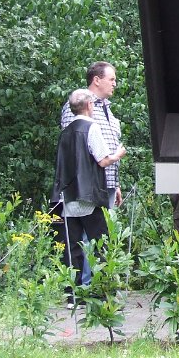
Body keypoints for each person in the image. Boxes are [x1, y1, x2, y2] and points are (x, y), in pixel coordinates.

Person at [52, 89, 127, 307]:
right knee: (100, 243)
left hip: (68, 197)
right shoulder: (91, 127)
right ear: (89, 106)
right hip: (90, 196)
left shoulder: (66, 132)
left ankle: (73, 295)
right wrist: (118, 155)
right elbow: (103, 160)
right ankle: (102, 293)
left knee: (72, 246)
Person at [61, 61, 123, 207]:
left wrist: (115, 184)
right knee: (88, 222)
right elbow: (72, 147)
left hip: (107, 184)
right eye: (111, 79)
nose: (114, 84)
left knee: (105, 223)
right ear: (96, 80)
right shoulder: (78, 106)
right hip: (86, 187)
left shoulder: (107, 109)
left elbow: (109, 147)